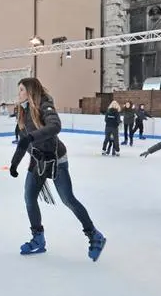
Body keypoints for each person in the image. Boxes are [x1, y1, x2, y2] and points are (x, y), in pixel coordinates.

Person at [9, 77, 107, 261]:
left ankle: (94, 235)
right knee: (29, 197)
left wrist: (31, 137)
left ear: (30, 92)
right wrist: (15, 163)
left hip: (56, 159)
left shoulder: (45, 105)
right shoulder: (21, 112)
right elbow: (24, 141)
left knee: (68, 199)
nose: (19, 93)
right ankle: (38, 239)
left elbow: (55, 126)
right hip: (37, 161)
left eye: (22, 90)